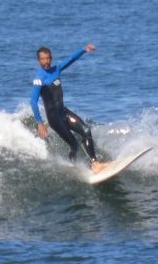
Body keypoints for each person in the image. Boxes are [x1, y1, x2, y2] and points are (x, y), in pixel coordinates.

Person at [30, 43, 108, 173]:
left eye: (48, 58)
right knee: (74, 144)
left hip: (63, 112)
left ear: (51, 58)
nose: (46, 61)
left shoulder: (57, 69)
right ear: (38, 60)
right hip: (54, 119)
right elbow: (33, 101)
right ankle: (75, 168)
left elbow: (71, 59)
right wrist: (40, 122)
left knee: (86, 130)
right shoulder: (39, 78)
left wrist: (84, 50)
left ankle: (95, 163)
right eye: (42, 59)